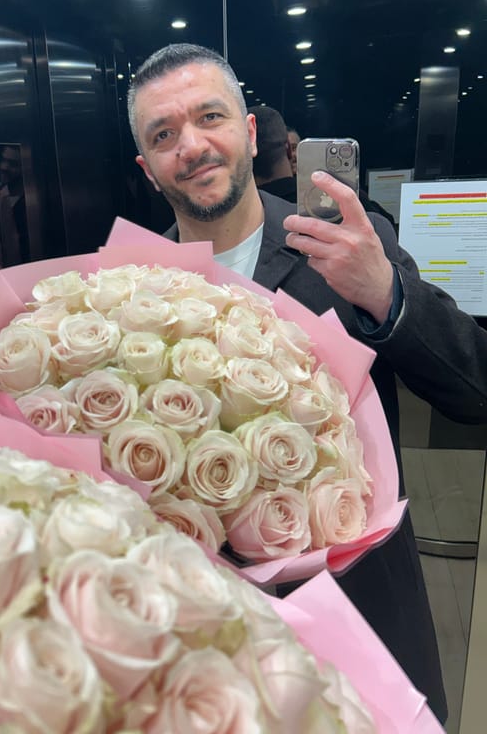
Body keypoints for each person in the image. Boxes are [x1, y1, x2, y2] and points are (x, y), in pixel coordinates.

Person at [127, 43, 487, 724]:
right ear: (148, 168)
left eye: (210, 117)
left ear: (249, 132)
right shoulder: (133, 285)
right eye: (164, 135)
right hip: (207, 641)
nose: (192, 146)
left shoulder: (344, 243)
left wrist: (385, 295)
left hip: (361, 614)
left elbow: (475, 389)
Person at [250, 104, 397, 227]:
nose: (295, 155)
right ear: (287, 149)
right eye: (293, 148)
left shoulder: (246, 213)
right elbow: (384, 227)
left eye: (297, 148)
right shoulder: (342, 195)